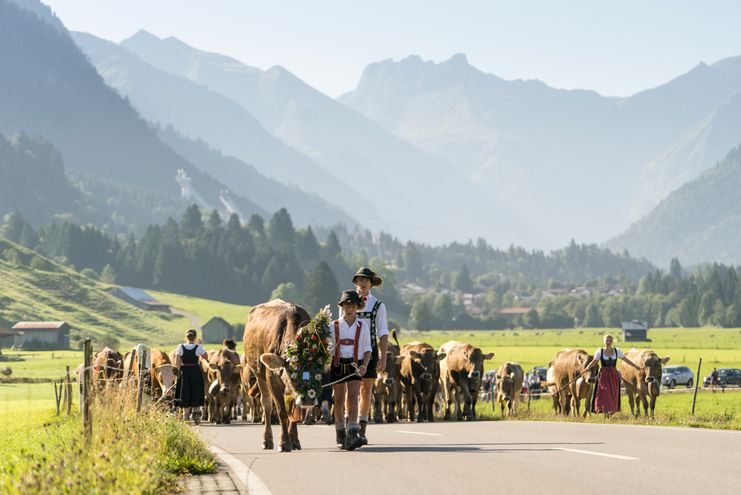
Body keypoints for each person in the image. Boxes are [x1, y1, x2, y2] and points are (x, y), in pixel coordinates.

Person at [329, 290, 372, 451]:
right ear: (341, 307)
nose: (350, 309)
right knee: (339, 399)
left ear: (357, 307)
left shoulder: (363, 327)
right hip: (338, 365)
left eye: (353, 306)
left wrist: (364, 366)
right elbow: (326, 347)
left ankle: (353, 430)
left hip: (355, 365)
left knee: (354, 396)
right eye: (347, 305)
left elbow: (367, 349)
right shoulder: (332, 326)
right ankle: (340, 431)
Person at [351, 267, 389, 445]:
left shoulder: (378, 305)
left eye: (366, 280)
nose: (363, 283)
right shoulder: (346, 303)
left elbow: (383, 332)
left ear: (371, 284)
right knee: (350, 390)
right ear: (356, 283)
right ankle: (349, 424)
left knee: (365, 390)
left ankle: (362, 427)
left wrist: (383, 357)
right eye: (360, 280)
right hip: (349, 352)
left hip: (370, 352)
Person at [587, 334, 642, 416]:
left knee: (613, 393)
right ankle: (604, 410)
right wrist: (588, 367)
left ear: (612, 342)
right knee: (604, 392)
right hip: (603, 375)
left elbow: (626, 360)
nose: (608, 342)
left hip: (613, 375)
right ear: (604, 341)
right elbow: (595, 361)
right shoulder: (600, 351)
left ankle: (611, 411)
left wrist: (636, 366)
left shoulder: (617, 351)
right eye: (607, 340)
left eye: (610, 340)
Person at [174, 329, 207, 424]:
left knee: (185, 392)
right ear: (195, 338)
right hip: (195, 372)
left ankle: (186, 416)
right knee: (196, 391)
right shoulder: (198, 347)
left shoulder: (180, 347)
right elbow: (206, 357)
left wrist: (179, 374)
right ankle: (196, 414)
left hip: (184, 372)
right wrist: (201, 346)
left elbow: (177, 362)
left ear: (186, 337)